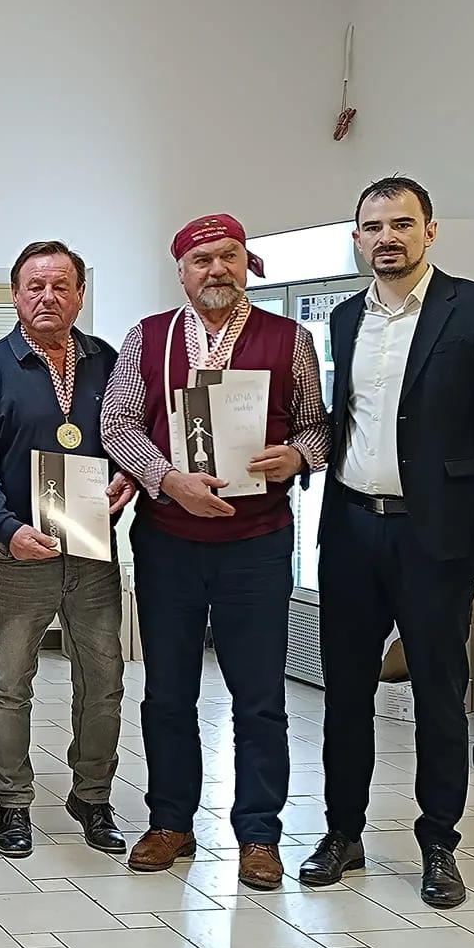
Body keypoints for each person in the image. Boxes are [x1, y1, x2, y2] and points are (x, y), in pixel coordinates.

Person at [302, 177, 474, 908]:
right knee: (345, 692)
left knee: (437, 692)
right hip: (349, 528)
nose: (387, 238)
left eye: (401, 224)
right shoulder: (344, 317)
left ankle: (438, 843)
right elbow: (344, 419)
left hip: (437, 534)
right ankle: (343, 833)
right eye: (373, 227)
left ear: (430, 231)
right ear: (357, 238)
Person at [102, 214, 329, 891]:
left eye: (228, 256)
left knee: (259, 697)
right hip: (168, 540)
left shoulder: (290, 339)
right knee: (167, 692)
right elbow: (116, 423)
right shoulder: (148, 337)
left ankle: (259, 834)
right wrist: (167, 479)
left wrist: (297, 455)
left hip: (256, 543)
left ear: (245, 261)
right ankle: (170, 821)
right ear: (181, 272)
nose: (216, 270)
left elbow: (318, 428)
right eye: (201, 260)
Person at [0, 242, 136, 858]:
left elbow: (130, 439)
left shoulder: (109, 362)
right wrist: (6, 529)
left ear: (80, 294)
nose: (48, 297)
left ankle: (92, 796)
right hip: (17, 555)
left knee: (104, 680)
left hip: (91, 553)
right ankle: (13, 804)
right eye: (35, 286)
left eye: (61, 285)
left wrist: (129, 475)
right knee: (8, 683)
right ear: (15, 295)